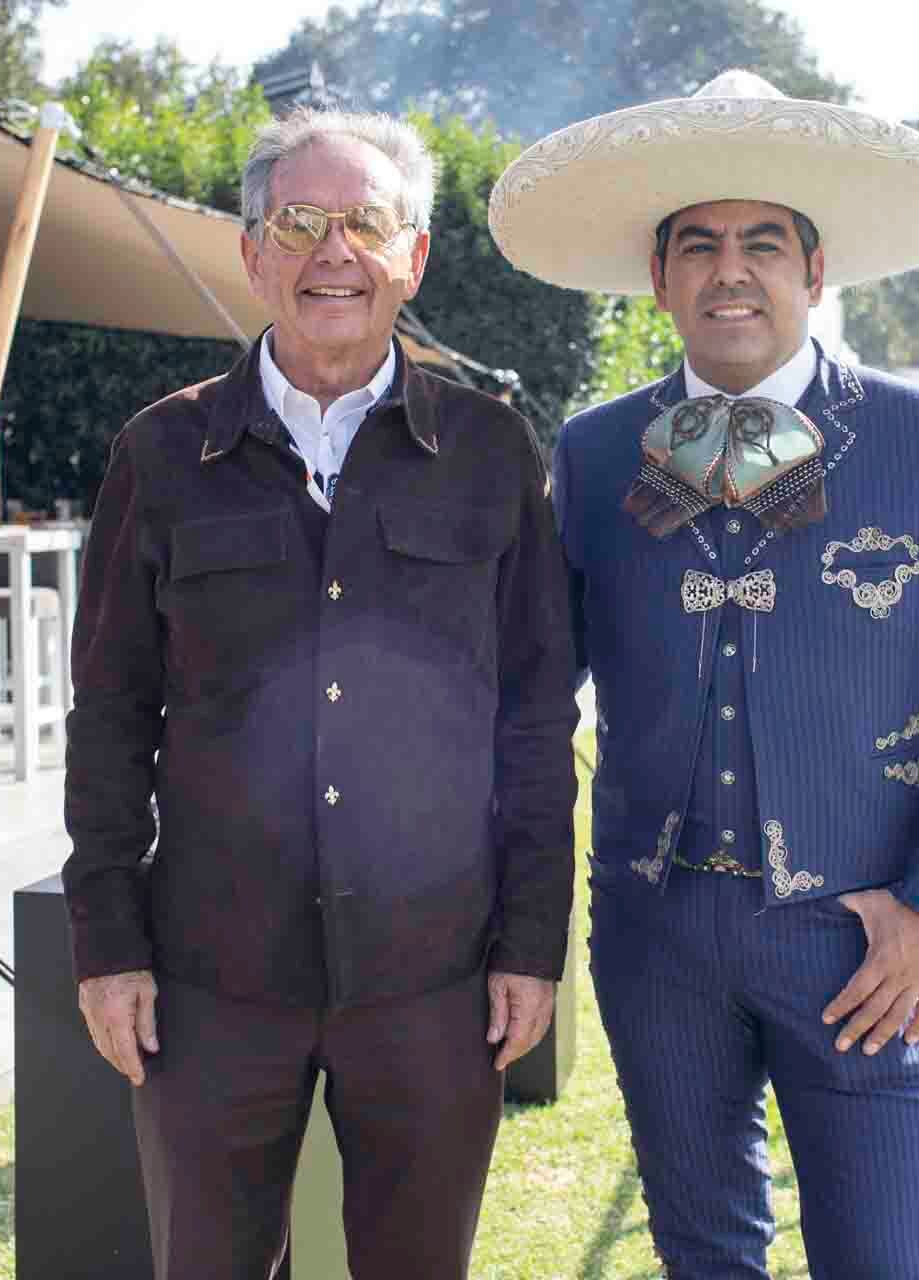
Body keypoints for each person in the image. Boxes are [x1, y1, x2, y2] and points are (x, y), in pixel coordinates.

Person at [491, 71, 919, 1278]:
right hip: (656, 934)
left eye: (759, 244)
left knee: (881, 1259)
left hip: (862, 939)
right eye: (697, 245)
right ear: (659, 278)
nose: (727, 270)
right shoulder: (592, 454)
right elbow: (529, 705)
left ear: (814, 270)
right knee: (704, 1257)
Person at [62, 108, 579, 1280]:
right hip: (210, 981)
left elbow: (539, 721)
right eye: (297, 221)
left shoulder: (493, 453)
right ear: (252, 253)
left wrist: (533, 939)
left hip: (434, 979)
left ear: (415, 257)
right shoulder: (162, 453)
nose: (330, 251)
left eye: (365, 222)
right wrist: (106, 941)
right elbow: (109, 713)